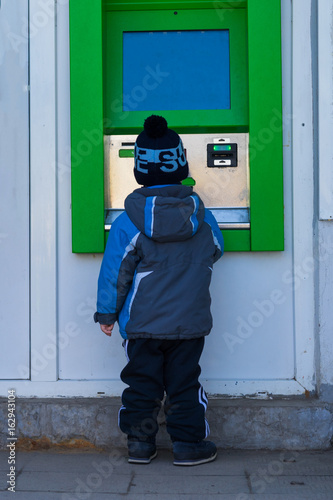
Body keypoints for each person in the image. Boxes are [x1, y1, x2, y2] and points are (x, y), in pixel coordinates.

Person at [94, 115, 224, 466]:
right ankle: (188, 445)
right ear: (180, 165)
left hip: (142, 325)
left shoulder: (128, 221)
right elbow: (216, 248)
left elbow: (114, 274)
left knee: (142, 383)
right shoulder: (201, 216)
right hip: (189, 322)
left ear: (139, 170)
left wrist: (107, 313)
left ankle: (140, 444)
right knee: (184, 384)